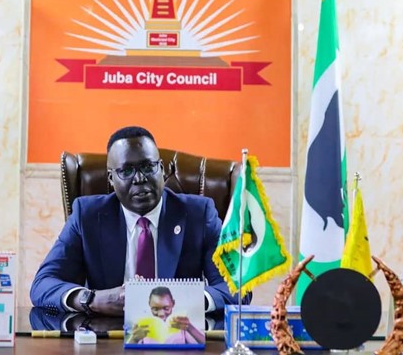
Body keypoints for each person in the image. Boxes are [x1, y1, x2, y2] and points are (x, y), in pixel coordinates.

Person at [30, 126, 247, 315]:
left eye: (148, 167)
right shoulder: (87, 215)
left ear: (162, 169)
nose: (140, 179)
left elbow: (238, 289)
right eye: (126, 171)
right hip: (107, 335)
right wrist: (93, 300)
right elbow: (43, 284)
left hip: (178, 333)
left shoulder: (199, 214)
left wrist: (185, 300)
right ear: (111, 179)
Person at [127, 286, 205, 344]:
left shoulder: (182, 326)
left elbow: (203, 344)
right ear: (149, 304)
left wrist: (190, 328)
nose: (161, 314)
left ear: (173, 303)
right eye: (155, 309)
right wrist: (134, 339)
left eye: (166, 308)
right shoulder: (144, 328)